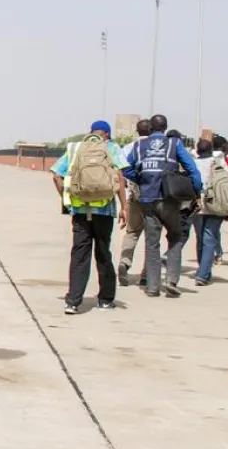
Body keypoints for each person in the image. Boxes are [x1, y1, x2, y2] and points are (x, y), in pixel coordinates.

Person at [49, 120, 128, 313]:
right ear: (107, 134)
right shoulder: (111, 148)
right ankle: (105, 299)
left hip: (81, 210)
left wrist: (67, 201)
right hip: (105, 211)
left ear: (91, 132)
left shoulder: (76, 148)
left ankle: (73, 301)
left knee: (79, 255)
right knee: (103, 253)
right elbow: (119, 177)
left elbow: (56, 175)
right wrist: (124, 207)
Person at [123, 113, 203, 298]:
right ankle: (172, 281)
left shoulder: (139, 146)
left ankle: (152, 287)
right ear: (165, 128)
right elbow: (192, 169)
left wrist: (141, 179)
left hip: (148, 199)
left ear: (151, 128)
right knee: (175, 237)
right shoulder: (174, 144)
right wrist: (196, 190)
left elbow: (125, 167)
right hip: (170, 200)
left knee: (152, 243)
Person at [191, 138, 228, 286]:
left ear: (198, 151)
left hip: (197, 205)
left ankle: (203, 270)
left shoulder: (193, 164)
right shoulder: (219, 163)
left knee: (200, 238)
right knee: (210, 239)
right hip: (215, 204)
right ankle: (203, 274)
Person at [115, 123, 149, 286]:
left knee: (132, 232)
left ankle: (124, 262)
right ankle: (147, 274)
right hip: (156, 197)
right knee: (152, 236)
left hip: (134, 195)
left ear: (137, 131)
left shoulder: (130, 147)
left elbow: (122, 170)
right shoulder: (161, 147)